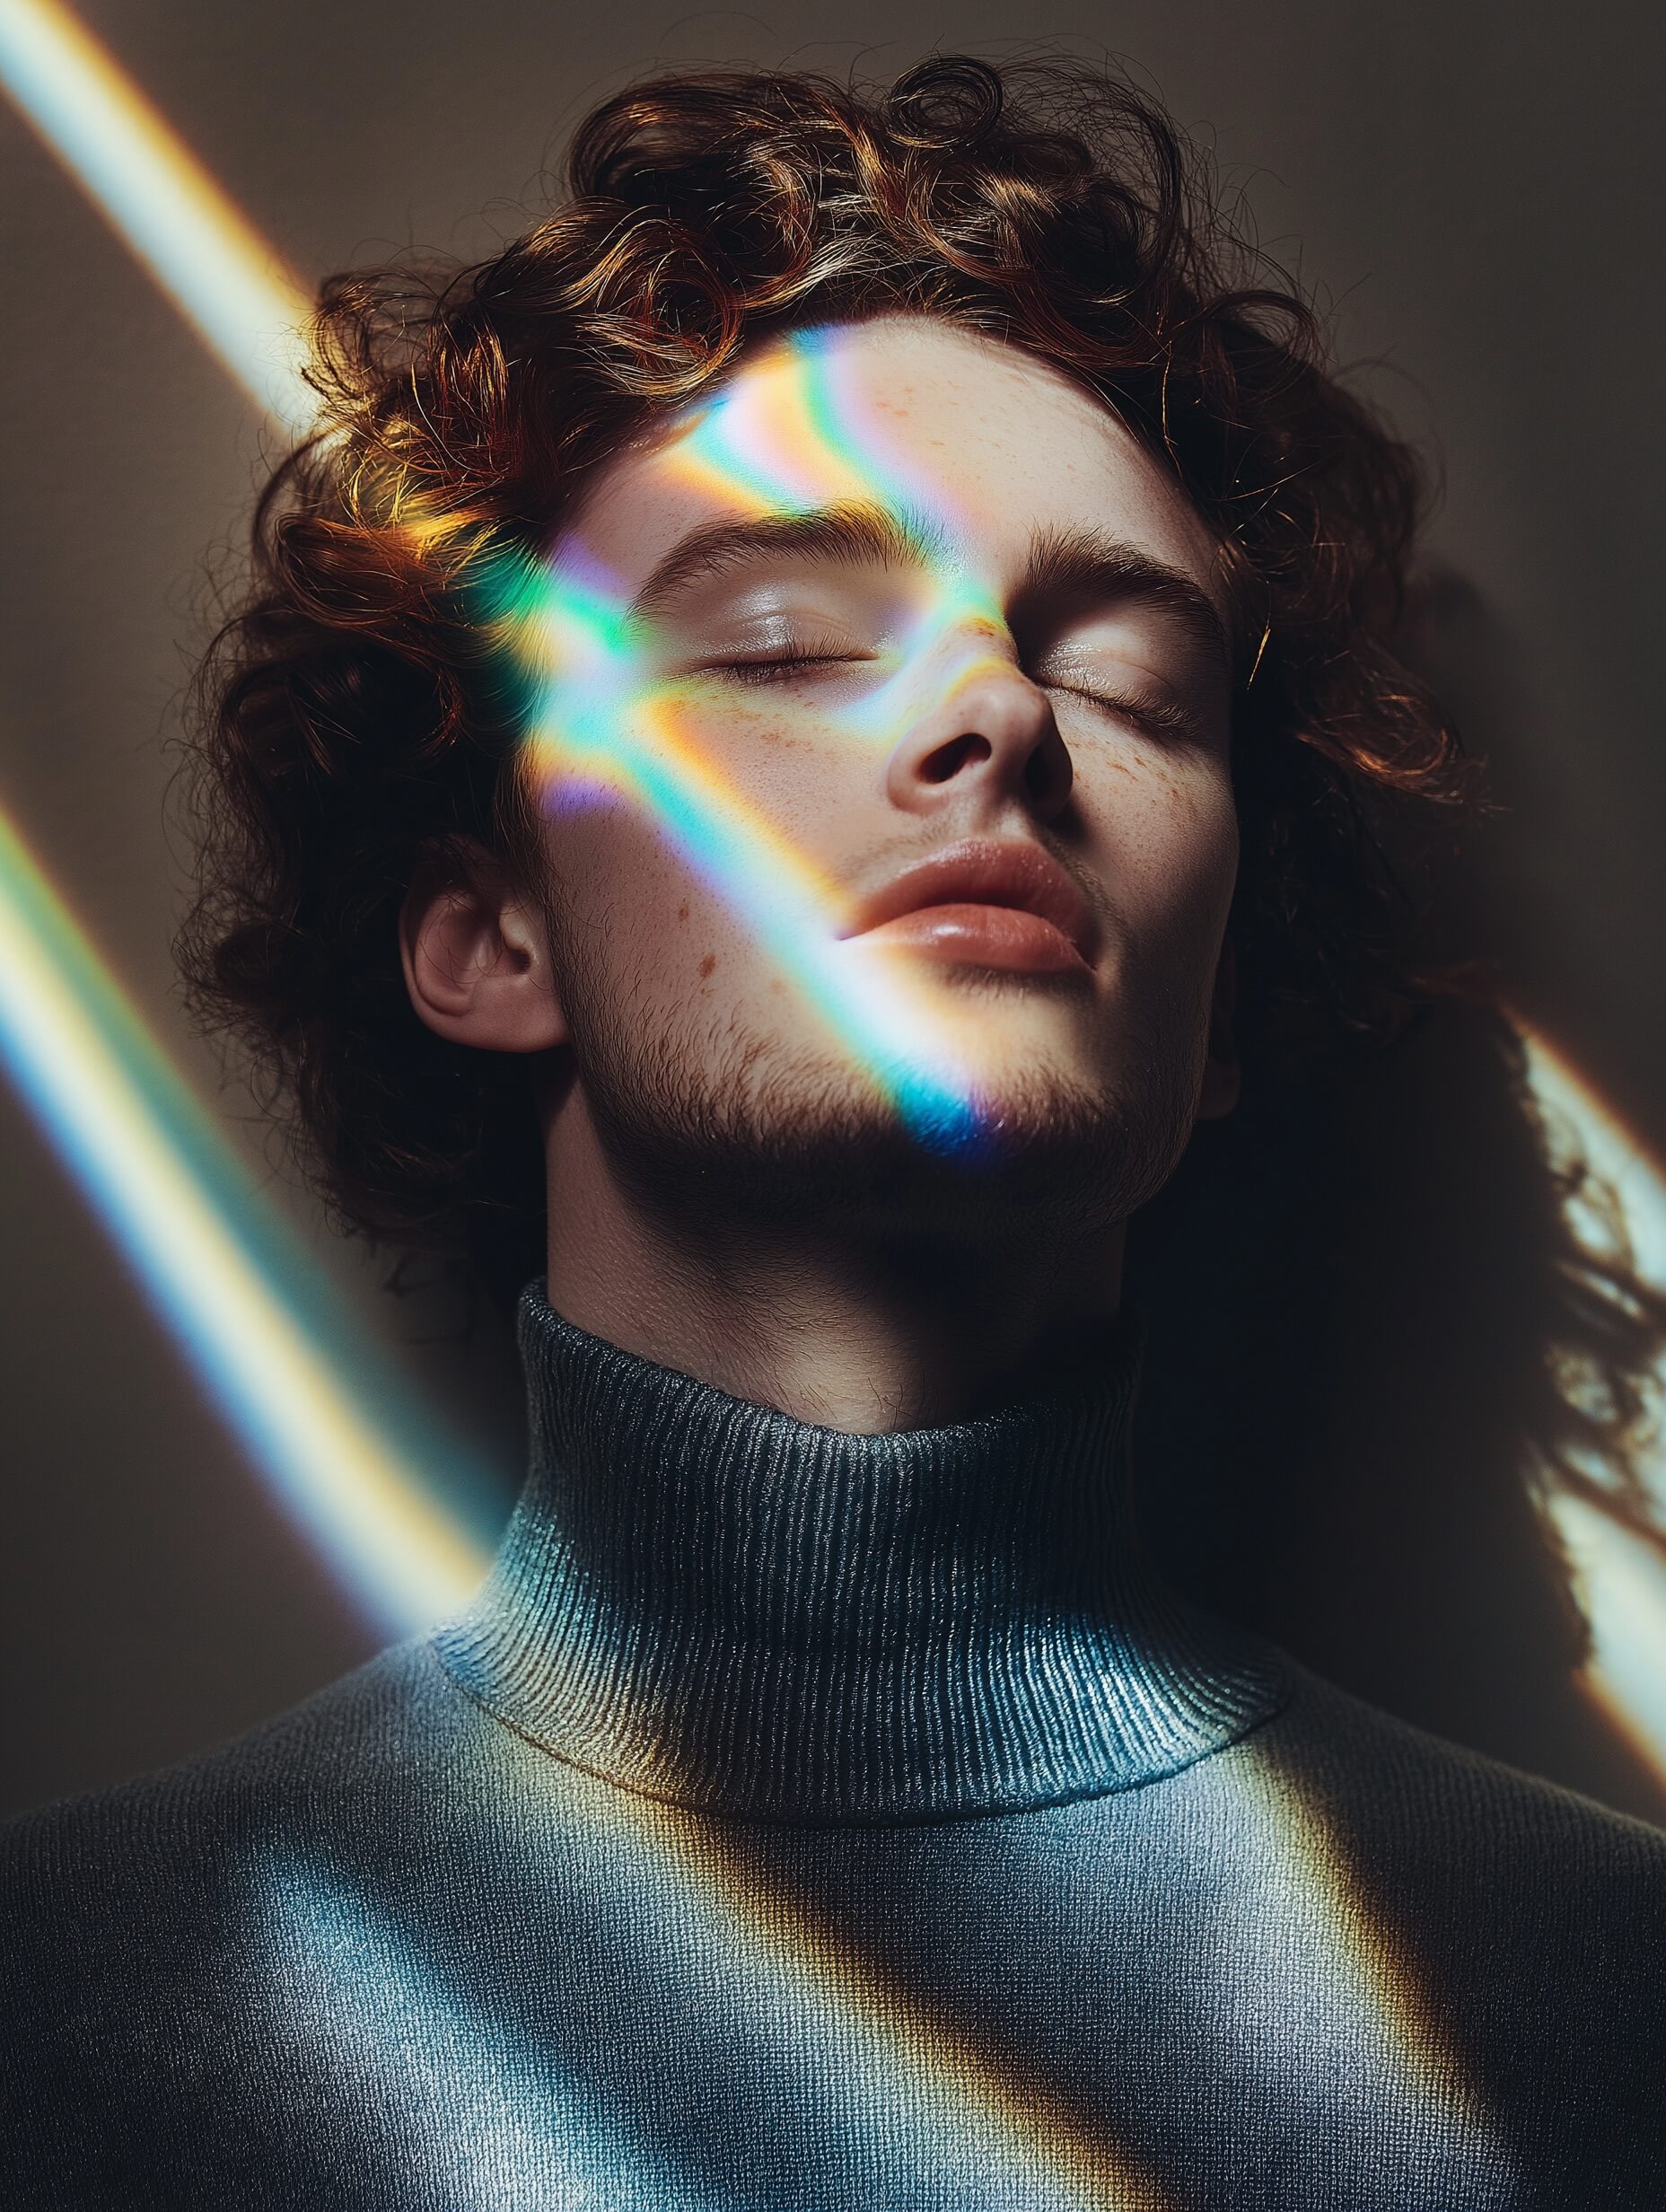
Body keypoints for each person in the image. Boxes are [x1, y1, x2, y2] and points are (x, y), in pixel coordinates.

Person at [3, 54, 1662, 2210]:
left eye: (1132, 683)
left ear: (1222, 1000)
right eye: (783, 640)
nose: (993, 712)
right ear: (488, 936)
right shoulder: (70, 2025)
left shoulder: (1607, 2024)